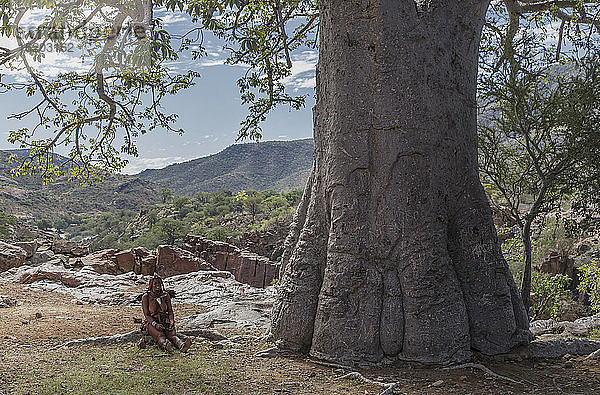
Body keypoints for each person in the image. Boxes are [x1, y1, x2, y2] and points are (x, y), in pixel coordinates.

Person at [142, 274, 191, 352]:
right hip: (152, 323)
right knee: (160, 335)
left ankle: (182, 346)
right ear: (151, 285)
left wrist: (171, 321)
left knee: (172, 335)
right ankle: (166, 346)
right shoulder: (146, 297)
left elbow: (170, 311)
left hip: (165, 321)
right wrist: (155, 324)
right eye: (155, 283)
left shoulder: (165, 295)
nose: (158, 285)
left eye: (159, 283)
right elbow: (147, 315)